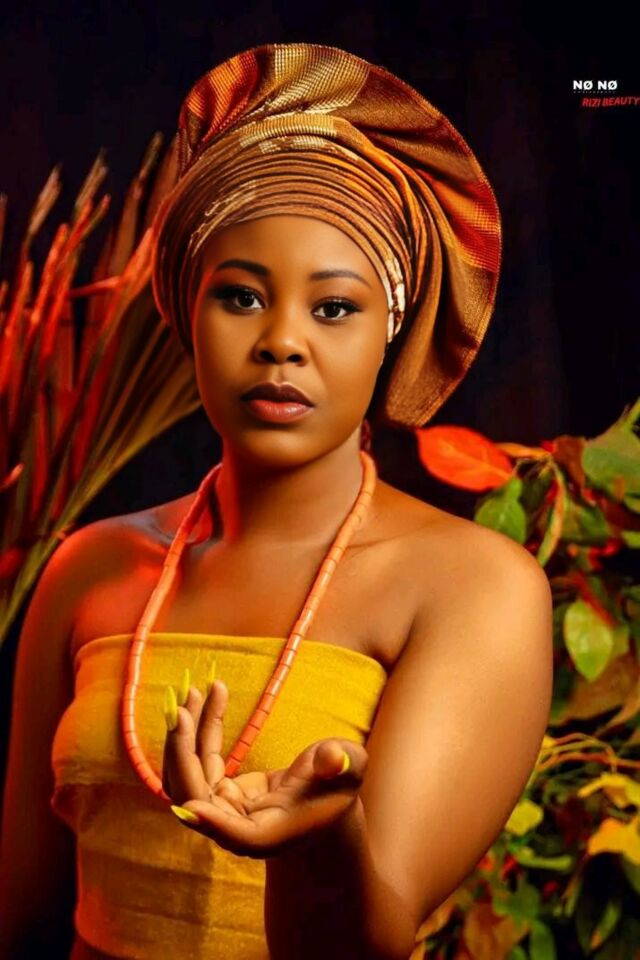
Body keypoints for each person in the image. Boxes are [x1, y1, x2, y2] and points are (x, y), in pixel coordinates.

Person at [0, 43, 553, 960]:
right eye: (241, 297)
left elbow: (369, 942)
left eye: (334, 308)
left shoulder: (474, 587)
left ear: (390, 333)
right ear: (187, 312)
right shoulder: (89, 567)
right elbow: (20, 915)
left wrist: (319, 842)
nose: (283, 342)